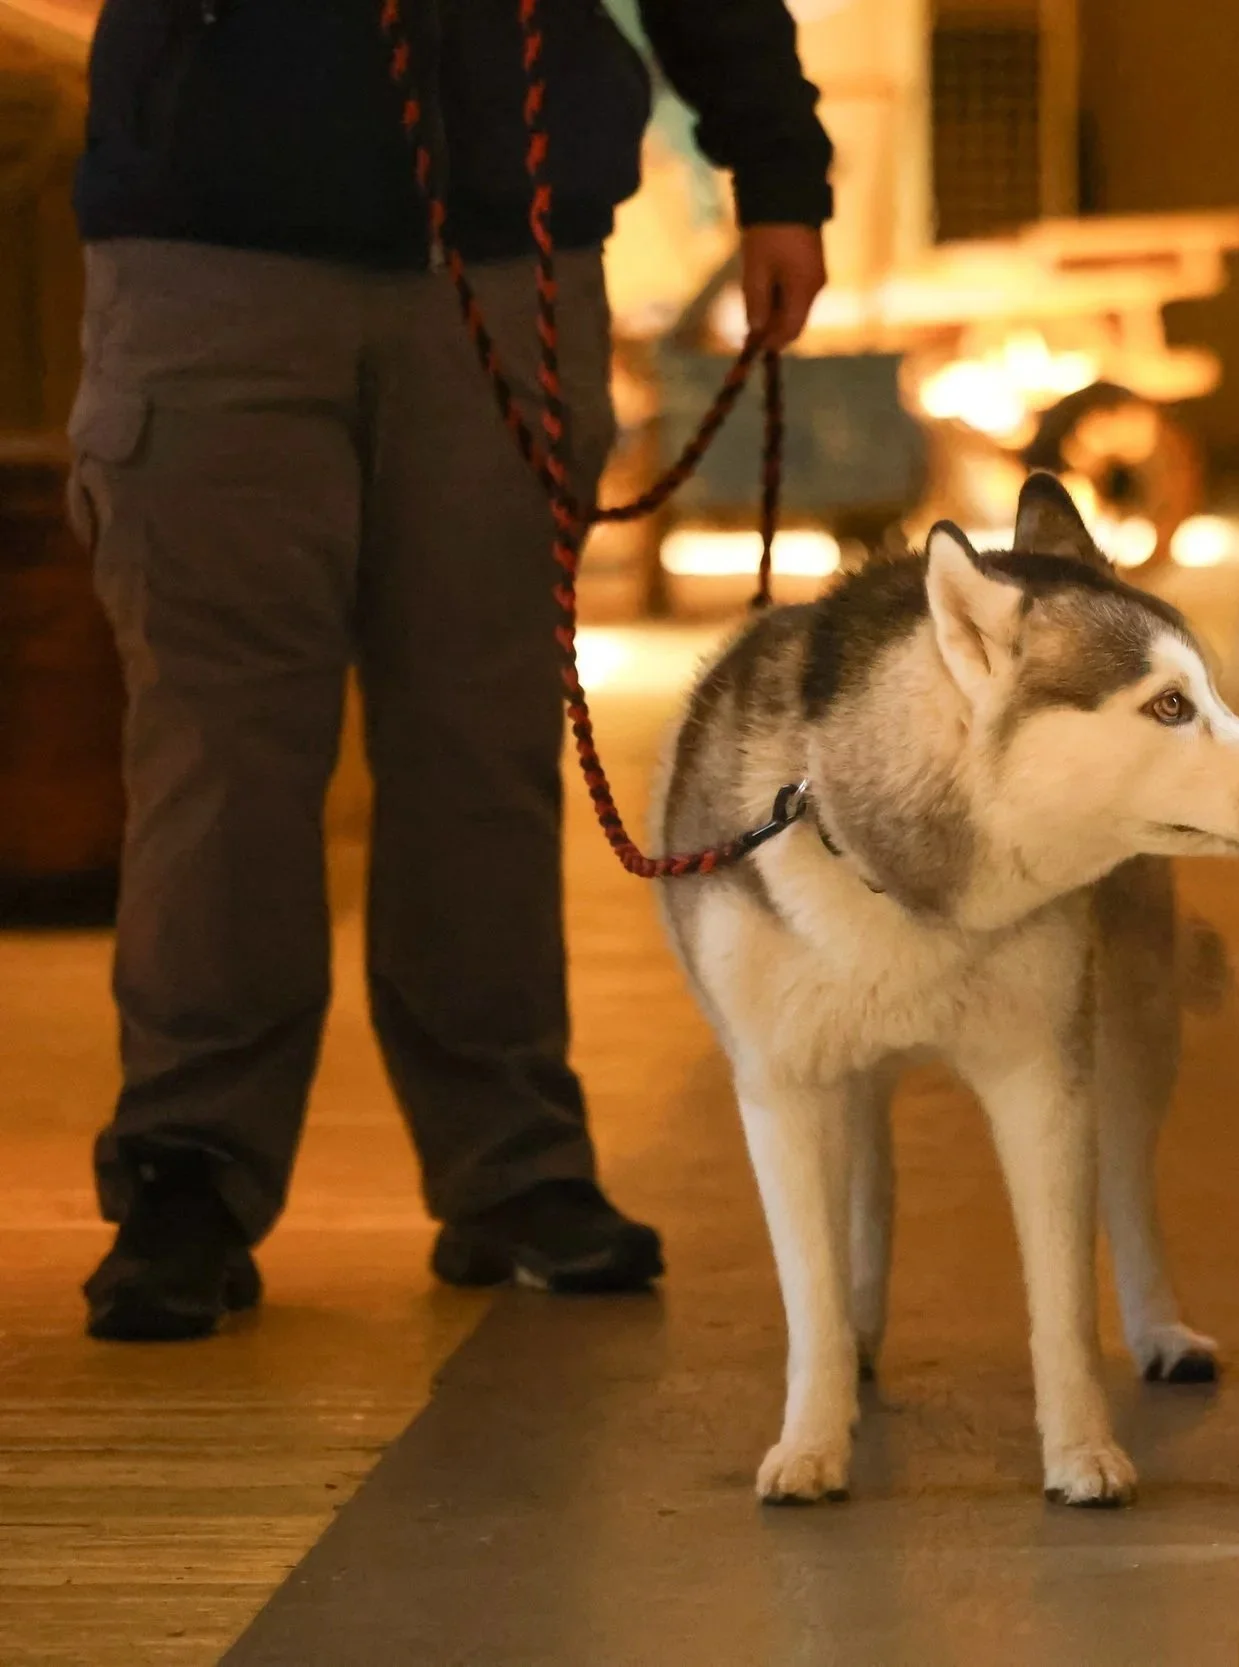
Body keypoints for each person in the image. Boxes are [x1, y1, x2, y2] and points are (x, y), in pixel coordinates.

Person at [68, 0, 832, 1342]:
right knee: (220, 753)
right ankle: (186, 1171)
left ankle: (512, 1165)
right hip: (211, 259)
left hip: (503, 261)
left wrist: (776, 173)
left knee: (480, 745)